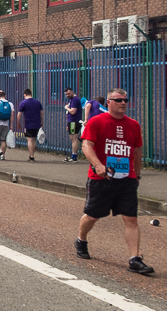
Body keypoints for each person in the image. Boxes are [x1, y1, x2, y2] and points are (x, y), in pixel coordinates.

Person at [75, 88, 154, 275]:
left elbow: (136, 152)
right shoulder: (96, 122)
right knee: (93, 216)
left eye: (126, 100)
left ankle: (135, 259)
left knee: (131, 218)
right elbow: (86, 146)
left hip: (126, 180)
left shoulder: (133, 125)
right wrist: (98, 165)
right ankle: (81, 239)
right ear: (109, 102)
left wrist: (137, 175)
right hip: (101, 179)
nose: (123, 103)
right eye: (119, 100)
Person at [16, 88, 44, 162]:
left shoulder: (23, 103)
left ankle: (31, 156)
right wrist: (42, 122)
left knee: (29, 139)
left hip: (28, 123)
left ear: (24, 95)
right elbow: (42, 113)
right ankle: (33, 154)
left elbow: (19, 115)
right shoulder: (37, 102)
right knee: (34, 139)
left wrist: (18, 123)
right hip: (37, 123)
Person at [64, 87, 83, 162]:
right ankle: (73, 155)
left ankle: (74, 156)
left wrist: (66, 108)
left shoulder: (75, 99)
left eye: (68, 93)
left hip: (74, 122)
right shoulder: (71, 99)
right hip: (71, 122)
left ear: (72, 92)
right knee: (72, 138)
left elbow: (73, 111)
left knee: (74, 139)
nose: (67, 95)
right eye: (66, 94)